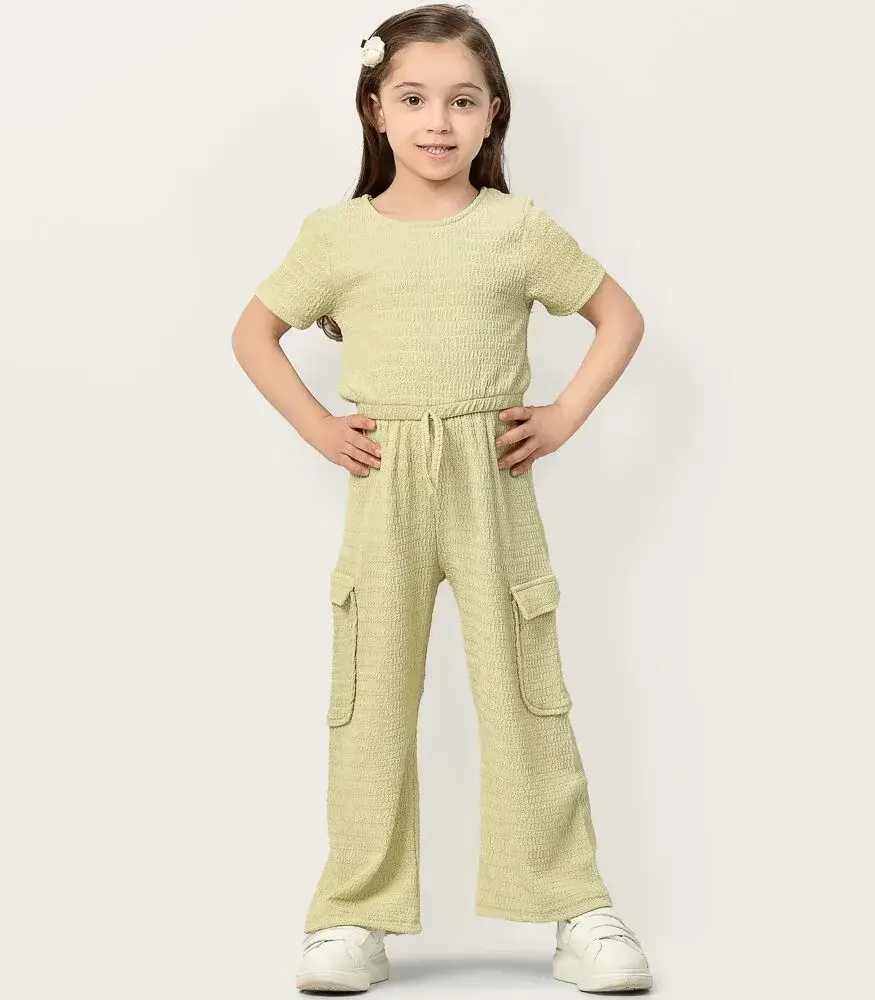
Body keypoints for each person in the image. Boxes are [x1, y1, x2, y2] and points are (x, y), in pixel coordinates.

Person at [231, 4, 652, 994]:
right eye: (414, 98)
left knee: (524, 689)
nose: (436, 121)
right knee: (370, 701)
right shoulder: (336, 235)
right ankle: (351, 914)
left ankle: (575, 905)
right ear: (374, 108)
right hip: (384, 485)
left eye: (462, 101)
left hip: (490, 481)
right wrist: (318, 427)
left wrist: (562, 416)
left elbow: (617, 318)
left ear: (491, 113)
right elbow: (253, 334)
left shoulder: (516, 228)